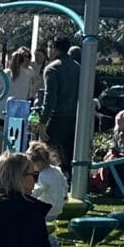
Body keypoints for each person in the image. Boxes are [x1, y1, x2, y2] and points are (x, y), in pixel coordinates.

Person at [39, 39, 83, 169]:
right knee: (69, 154)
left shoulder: (52, 68)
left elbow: (50, 98)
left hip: (57, 117)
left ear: (53, 48)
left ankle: (47, 180)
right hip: (75, 117)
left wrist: (43, 122)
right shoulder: (78, 67)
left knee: (47, 153)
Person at [26, 139, 72, 217]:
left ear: (39, 163)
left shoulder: (44, 175)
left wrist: (27, 198)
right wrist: (64, 195)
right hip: (58, 208)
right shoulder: (57, 169)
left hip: (48, 210)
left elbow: (38, 190)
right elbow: (65, 184)